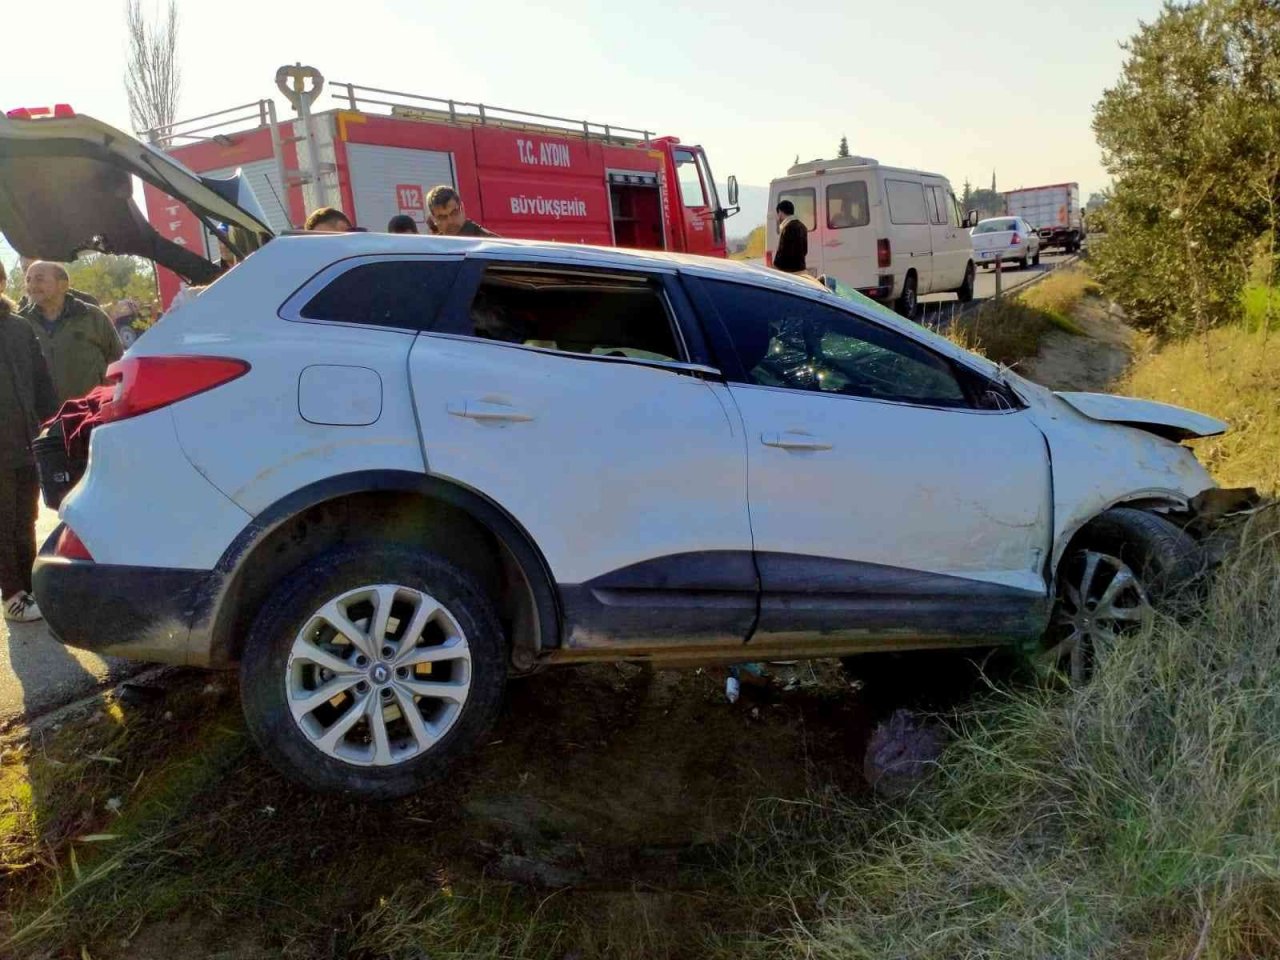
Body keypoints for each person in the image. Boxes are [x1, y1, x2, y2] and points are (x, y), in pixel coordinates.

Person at [0, 261, 56, 622]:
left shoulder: (19, 327)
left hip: (26, 442)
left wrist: (54, 425)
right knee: (3, 521)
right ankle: (12, 594)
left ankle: (30, 587)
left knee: (27, 518)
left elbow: (41, 382)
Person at [19, 262, 122, 405]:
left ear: (63, 285)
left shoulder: (91, 316)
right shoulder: (21, 323)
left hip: (91, 410)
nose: (32, 286)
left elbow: (117, 360)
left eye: (39, 279)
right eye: (28, 280)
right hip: (45, 416)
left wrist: (110, 399)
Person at [14, 256, 100, 312]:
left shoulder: (87, 305)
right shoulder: (21, 311)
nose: (30, 274)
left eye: (39, 269)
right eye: (25, 269)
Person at [425, 186, 497, 237]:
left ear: (462, 208)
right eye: (442, 217)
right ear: (433, 219)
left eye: (454, 212)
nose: (450, 221)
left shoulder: (488, 242)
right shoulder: (434, 247)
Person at [773, 200, 808, 274]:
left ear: (780, 212)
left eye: (778, 213)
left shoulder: (787, 228)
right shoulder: (802, 226)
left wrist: (775, 267)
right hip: (802, 270)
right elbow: (805, 250)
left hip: (790, 272)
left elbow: (782, 252)